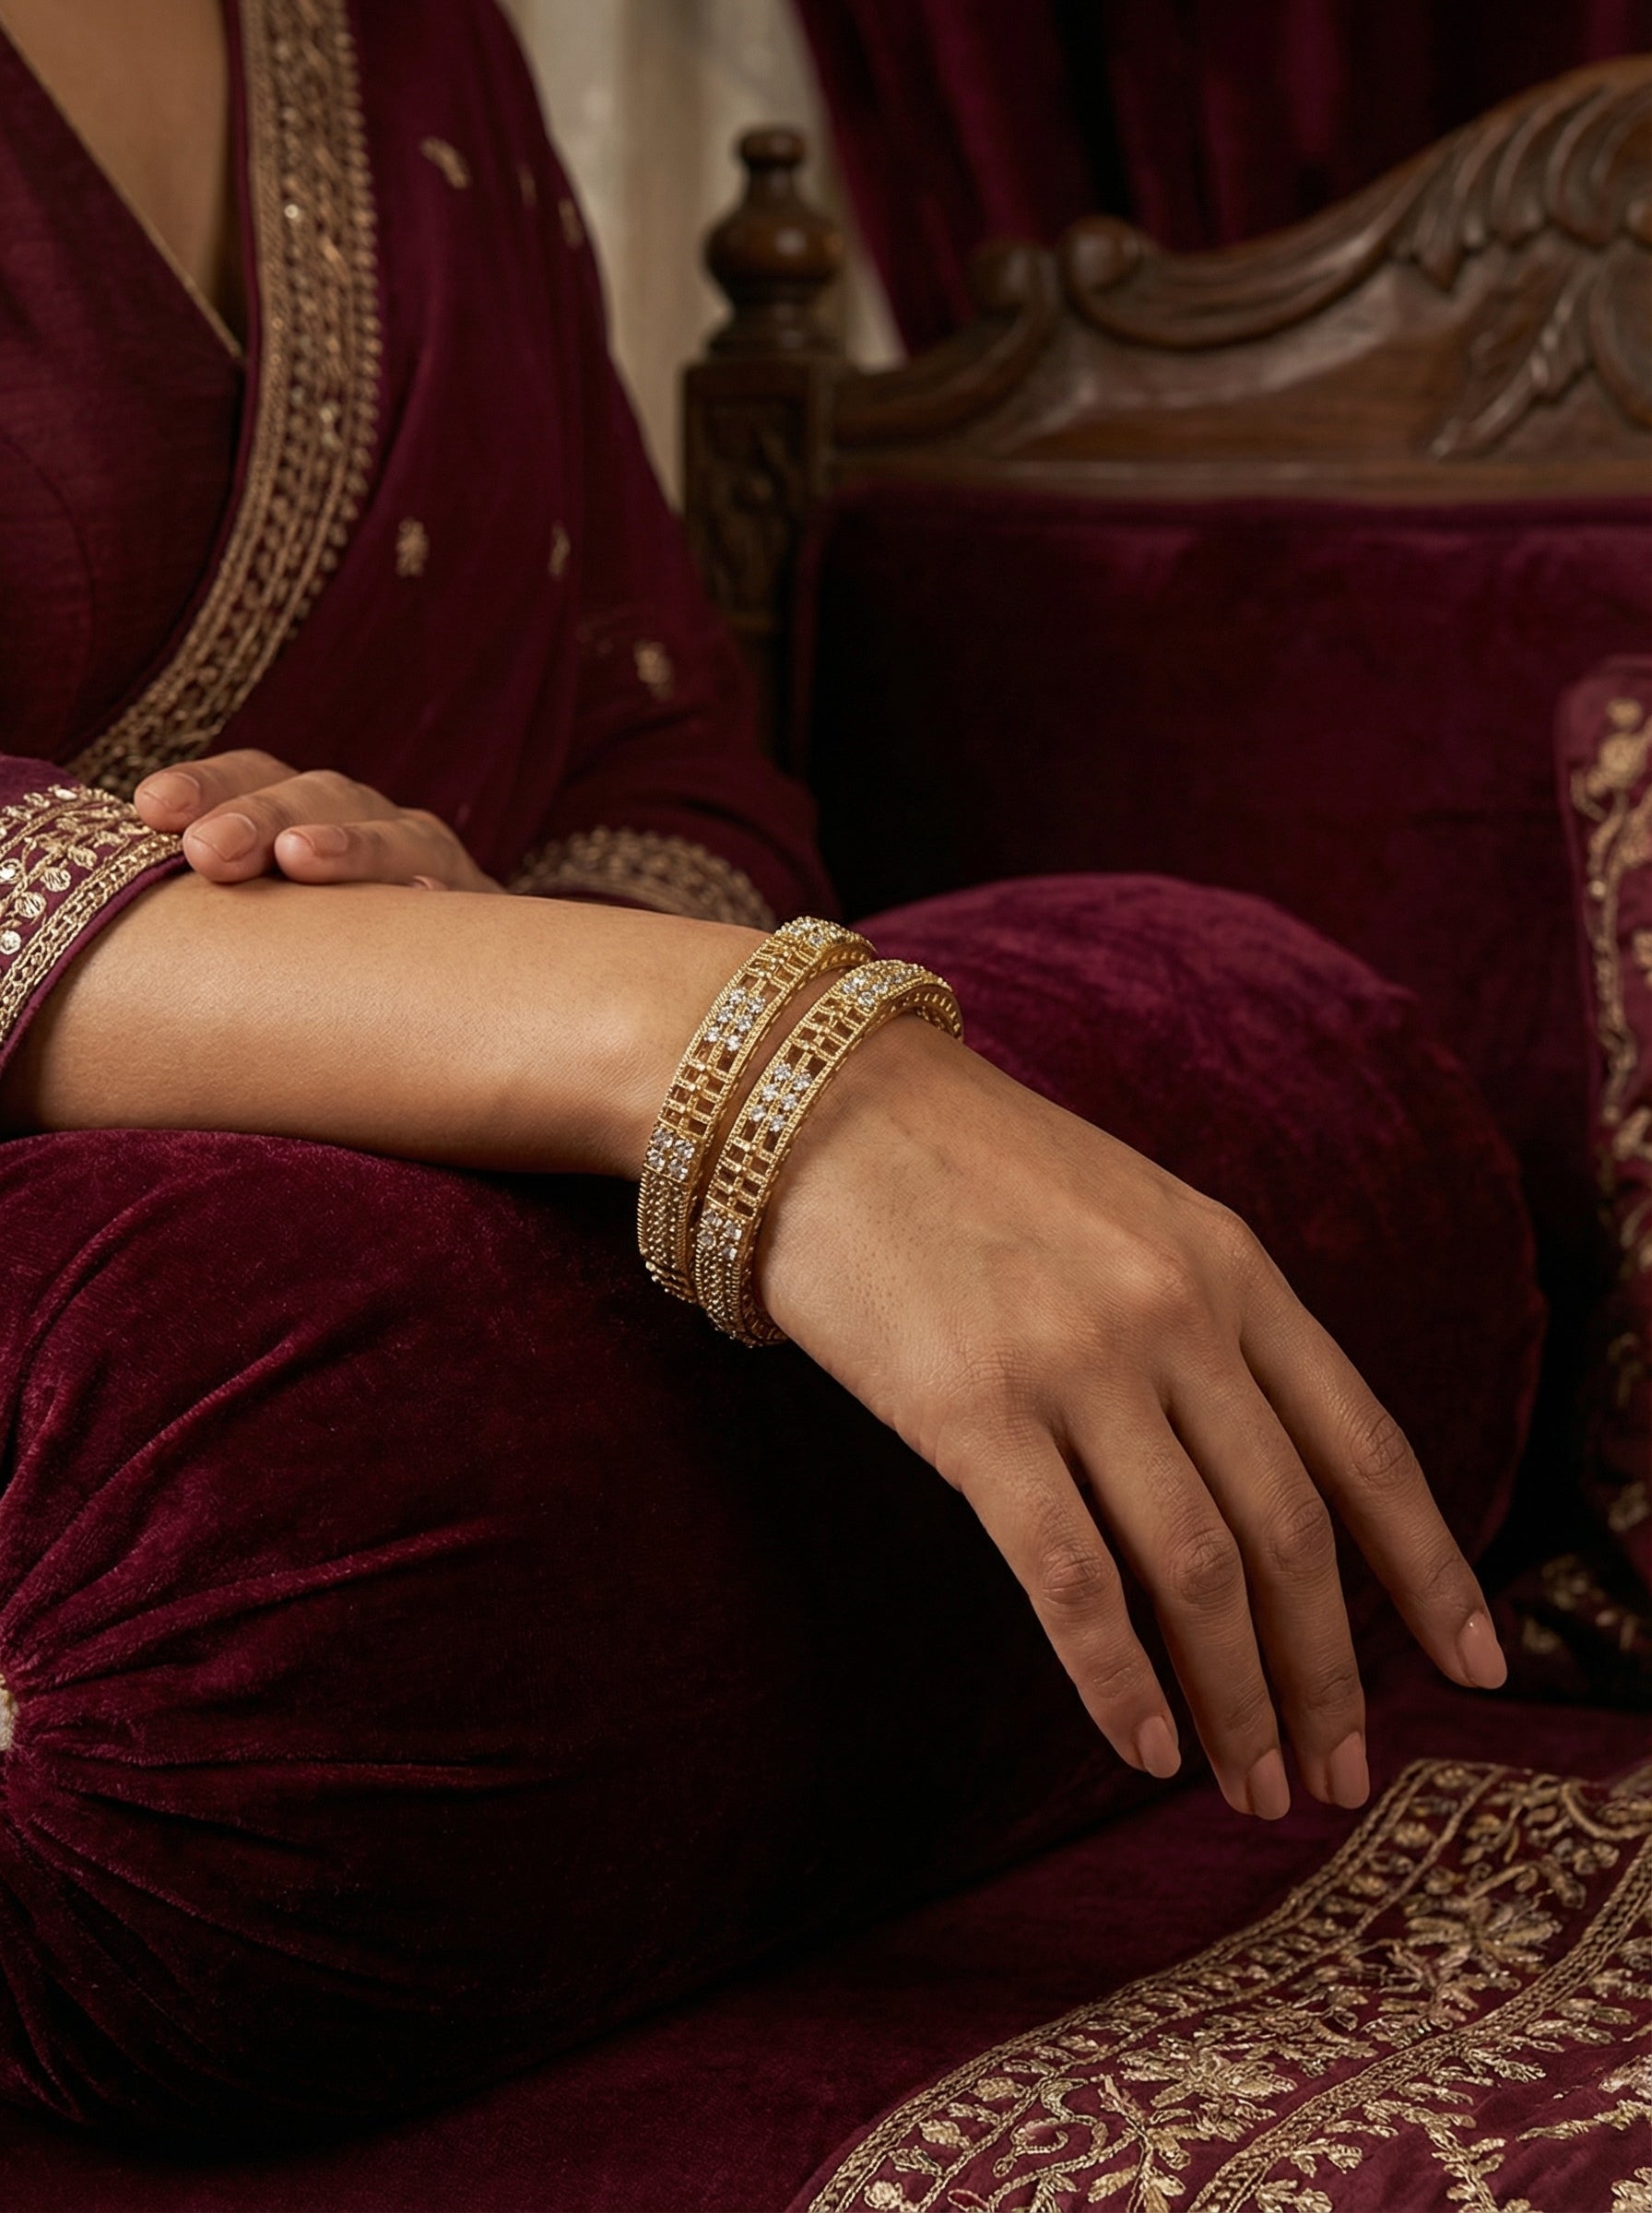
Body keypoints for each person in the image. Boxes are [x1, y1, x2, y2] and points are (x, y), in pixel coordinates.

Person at [0, 0, 1517, 2137]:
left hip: (376, 1492)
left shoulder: (411, 38)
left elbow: (661, 745)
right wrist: (756, 1072)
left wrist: (442, 926)